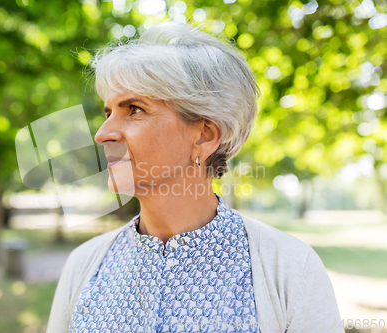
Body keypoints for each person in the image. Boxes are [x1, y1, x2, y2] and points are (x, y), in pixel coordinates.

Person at [46, 22, 344, 333]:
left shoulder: (290, 269)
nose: (102, 134)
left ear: (204, 136)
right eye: (108, 113)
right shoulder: (84, 265)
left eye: (134, 109)